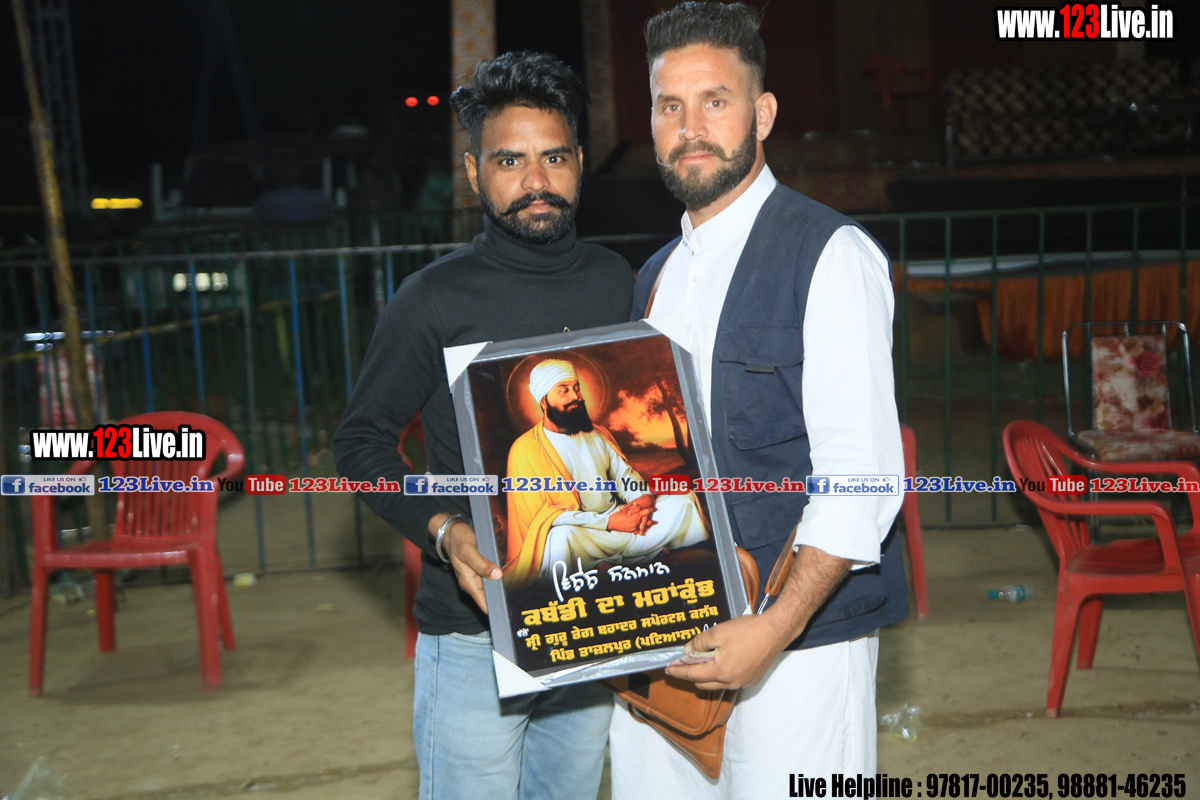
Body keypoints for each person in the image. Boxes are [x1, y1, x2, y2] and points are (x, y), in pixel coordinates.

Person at [608, 4, 909, 798]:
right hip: (670, 633)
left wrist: (772, 630)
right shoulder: (657, 276)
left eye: (716, 101)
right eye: (670, 106)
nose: (691, 128)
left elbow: (862, 476)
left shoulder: (829, 254)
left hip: (802, 646)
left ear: (762, 113)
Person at [332, 51, 631, 800]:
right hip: (474, 631)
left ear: (580, 162)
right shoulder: (433, 299)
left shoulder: (620, 283)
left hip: (595, 620)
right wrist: (441, 529)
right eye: (509, 161)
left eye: (554, 157)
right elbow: (361, 442)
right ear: (473, 172)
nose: (536, 181)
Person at [504, 358, 708, 585]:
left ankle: (611, 563)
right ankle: (635, 557)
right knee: (561, 538)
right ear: (544, 401)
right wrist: (610, 522)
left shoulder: (597, 434)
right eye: (564, 391)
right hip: (586, 533)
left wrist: (640, 503)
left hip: (625, 524)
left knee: (683, 499)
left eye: (576, 388)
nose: (575, 396)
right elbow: (545, 518)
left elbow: (625, 478)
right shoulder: (525, 449)